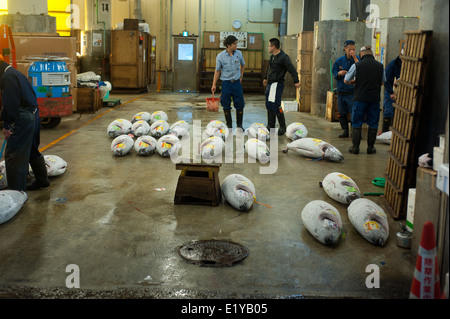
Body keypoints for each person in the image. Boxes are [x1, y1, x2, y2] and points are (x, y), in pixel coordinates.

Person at [0, 55, 49, 191]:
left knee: (14, 154)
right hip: (34, 113)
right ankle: (42, 180)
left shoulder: (7, 78)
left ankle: (16, 191)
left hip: (23, 117)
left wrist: (7, 126)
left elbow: (11, 105)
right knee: (31, 148)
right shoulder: (16, 73)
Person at [344, 46, 386, 154]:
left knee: (357, 122)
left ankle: (355, 148)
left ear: (362, 55)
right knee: (373, 123)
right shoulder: (380, 66)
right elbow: (382, 82)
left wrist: (354, 82)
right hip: (374, 99)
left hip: (360, 98)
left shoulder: (356, 65)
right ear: (372, 55)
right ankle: (370, 148)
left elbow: (346, 80)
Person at [263, 38, 300, 136]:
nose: (268, 47)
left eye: (269, 45)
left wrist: (296, 81)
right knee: (269, 105)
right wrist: (265, 78)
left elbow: (291, 69)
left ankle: (282, 126)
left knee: (276, 105)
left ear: (273, 46)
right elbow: (268, 68)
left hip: (277, 84)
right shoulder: (272, 57)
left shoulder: (284, 57)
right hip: (270, 84)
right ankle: (270, 125)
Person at [211, 35, 246, 131]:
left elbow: (243, 65)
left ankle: (239, 125)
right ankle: (229, 126)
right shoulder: (220, 56)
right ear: (228, 45)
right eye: (235, 44)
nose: (236, 45)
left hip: (236, 83)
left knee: (240, 104)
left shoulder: (239, 53)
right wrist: (214, 84)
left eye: (236, 43)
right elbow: (217, 71)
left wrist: (241, 77)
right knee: (226, 104)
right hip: (226, 83)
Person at [332, 40, 359, 138]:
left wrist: (355, 58)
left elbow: (361, 69)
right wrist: (339, 73)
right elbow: (334, 72)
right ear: (345, 49)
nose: (351, 51)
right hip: (341, 92)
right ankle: (345, 131)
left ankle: (354, 132)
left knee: (354, 112)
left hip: (352, 92)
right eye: (349, 49)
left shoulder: (357, 60)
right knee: (342, 113)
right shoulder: (339, 61)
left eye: (353, 49)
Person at [382, 55, 402, 132]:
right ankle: (385, 131)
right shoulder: (392, 65)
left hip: (401, 90)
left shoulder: (407, 65)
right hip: (391, 90)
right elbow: (386, 80)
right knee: (388, 111)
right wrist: (391, 92)